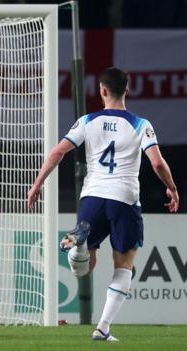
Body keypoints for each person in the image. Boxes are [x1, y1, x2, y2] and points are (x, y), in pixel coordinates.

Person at [27, 67, 179, 341]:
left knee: (85, 266)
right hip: (124, 198)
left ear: (102, 91)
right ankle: (103, 326)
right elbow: (156, 162)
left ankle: (80, 246)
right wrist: (172, 187)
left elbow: (58, 152)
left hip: (93, 197)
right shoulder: (141, 123)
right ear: (127, 90)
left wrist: (37, 184)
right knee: (125, 266)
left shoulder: (88, 121)